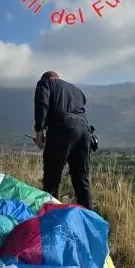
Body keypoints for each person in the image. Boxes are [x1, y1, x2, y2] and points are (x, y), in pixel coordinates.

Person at [32, 71, 93, 210]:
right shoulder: (76, 90)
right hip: (84, 130)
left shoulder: (46, 82)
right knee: (81, 178)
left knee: (52, 177)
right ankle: (89, 217)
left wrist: (39, 130)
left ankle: (50, 214)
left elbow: (42, 102)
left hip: (62, 127)